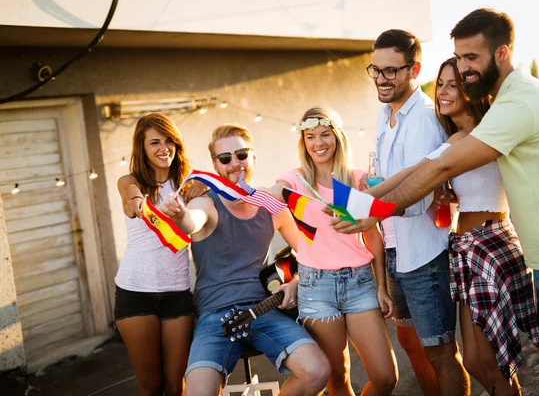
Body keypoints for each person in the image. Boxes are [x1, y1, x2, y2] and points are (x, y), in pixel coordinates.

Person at [334, 8, 539, 396]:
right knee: (533, 362)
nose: (463, 70)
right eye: (458, 59)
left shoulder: (515, 104)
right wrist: (360, 202)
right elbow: (425, 169)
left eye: (470, 59)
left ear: (502, 53)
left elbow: (440, 167)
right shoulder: (502, 103)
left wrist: (372, 210)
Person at [159, 123, 330, 396]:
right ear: (215, 164)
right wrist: (180, 215)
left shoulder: (270, 205)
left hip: (264, 310)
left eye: (241, 154)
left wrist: (297, 283)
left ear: (253, 157)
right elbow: (192, 222)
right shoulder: (206, 203)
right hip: (215, 317)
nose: (234, 163)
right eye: (225, 158)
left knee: (318, 371)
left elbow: (312, 254)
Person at [364, 29, 469, 396]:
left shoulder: (423, 118)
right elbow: (383, 175)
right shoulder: (383, 114)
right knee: (411, 345)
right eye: (375, 69)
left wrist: (370, 207)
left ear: (414, 69)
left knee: (441, 352)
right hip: (395, 248)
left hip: (425, 253)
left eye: (391, 70)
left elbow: (422, 198)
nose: (381, 79)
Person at [266, 106, 398, 395]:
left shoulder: (356, 179)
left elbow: (373, 237)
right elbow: (276, 192)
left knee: (386, 377)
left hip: (361, 283)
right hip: (317, 287)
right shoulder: (296, 180)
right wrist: (270, 193)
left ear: (336, 137)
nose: (318, 143)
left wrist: (381, 287)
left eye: (325, 134)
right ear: (303, 142)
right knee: (337, 380)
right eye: (310, 137)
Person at [434, 57, 539, 396]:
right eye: (440, 84)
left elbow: (418, 175)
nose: (443, 91)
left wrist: (363, 203)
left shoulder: (481, 135)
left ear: (470, 90)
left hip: (487, 244)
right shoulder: (460, 138)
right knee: (476, 360)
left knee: (487, 359)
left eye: (453, 84)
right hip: (468, 246)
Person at [115, 112, 195, 396]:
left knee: (176, 386)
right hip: (135, 293)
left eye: (169, 140)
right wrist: (136, 200)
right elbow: (130, 194)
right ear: (142, 148)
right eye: (155, 142)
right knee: (151, 386)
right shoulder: (130, 180)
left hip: (177, 294)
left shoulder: (189, 184)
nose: (164, 148)